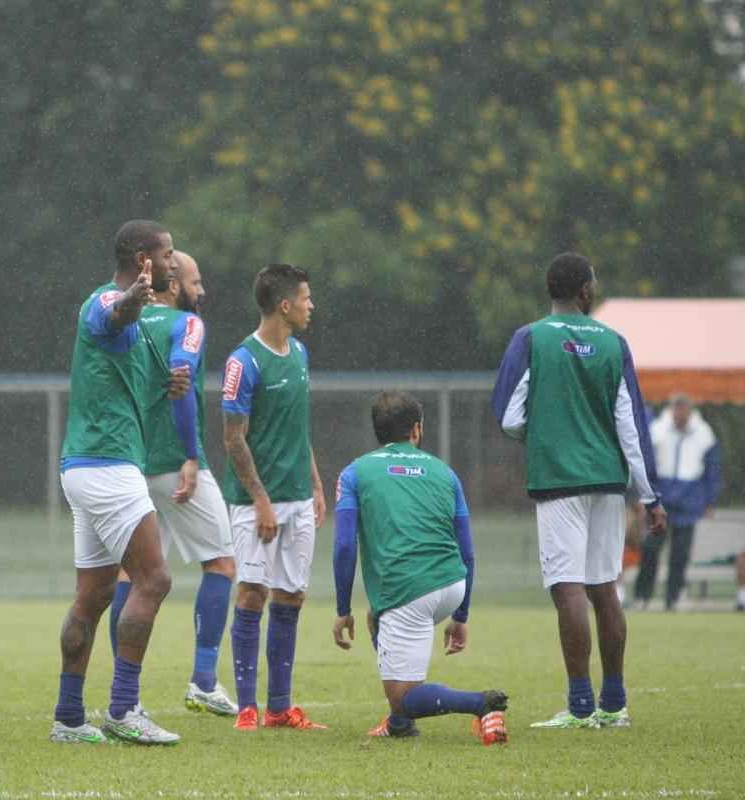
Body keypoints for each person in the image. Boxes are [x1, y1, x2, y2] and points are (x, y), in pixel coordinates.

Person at [492, 252, 665, 730]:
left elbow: (507, 415)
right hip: (608, 483)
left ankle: (581, 704)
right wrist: (650, 496)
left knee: (568, 589)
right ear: (584, 291)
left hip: (558, 481)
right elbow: (631, 425)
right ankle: (615, 703)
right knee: (603, 587)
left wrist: (546, 434)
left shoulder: (530, 338)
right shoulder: (615, 343)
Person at [50, 220, 186, 745]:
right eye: (168, 253)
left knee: (94, 596)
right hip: (106, 466)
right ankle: (124, 710)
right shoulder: (104, 302)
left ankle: (68, 718)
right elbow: (116, 310)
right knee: (154, 580)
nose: (174, 261)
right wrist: (133, 296)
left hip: (88, 464)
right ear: (141, 258)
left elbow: (131, 390)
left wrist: (167, 386)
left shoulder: (138, 326)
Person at [332, 391, 507, 743]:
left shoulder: (354, 473)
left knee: (405, 697)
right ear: (416, 430)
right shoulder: (445, 472)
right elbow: (468, 551)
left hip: (408, 592)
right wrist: (461, 614)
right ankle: (399, 726)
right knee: (375, 616)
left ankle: (483, 705)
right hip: (452, 583)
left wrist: (341, 609)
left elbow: (345, 545)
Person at [107, 251, 238, 717]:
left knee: (129, 574)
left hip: (128, 462)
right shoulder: (188, 324)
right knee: (220, 563)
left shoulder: (129, 320)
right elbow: (181, 375)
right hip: (173, 462)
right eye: (196, 281)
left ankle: (125, 691)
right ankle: (203, 679)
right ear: (175, 283)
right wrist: (188, 453)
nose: (201, 290)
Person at [221, 264, 327, 732]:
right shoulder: (243, 361)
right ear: (284, 305)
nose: (311, 305)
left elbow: (297, 430)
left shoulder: (300, 353)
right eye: (305, 298)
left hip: (299, 498)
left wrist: (317, 485)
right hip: (253, 503)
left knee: (292, 596)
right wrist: (260, 499)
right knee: (251, 595)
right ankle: (248, 708)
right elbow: (233, 439)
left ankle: (280, 708)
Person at [633, 394, 721, 611]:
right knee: (651, 549)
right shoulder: (658, 431)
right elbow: (646, 464)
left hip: (688, 499)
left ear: (690, 411)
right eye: (676, 409)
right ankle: (642, 596)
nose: (678, 414)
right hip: (662, 496)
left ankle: (673, 598)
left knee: (680, 554)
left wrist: (709, 500)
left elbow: (712, 470)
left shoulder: (704, 434)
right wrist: (644, 495)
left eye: (683, 410)